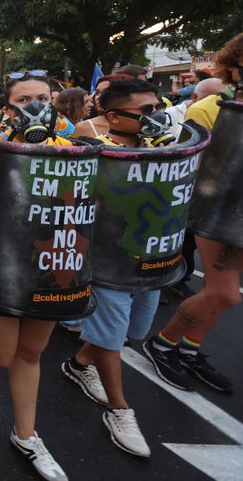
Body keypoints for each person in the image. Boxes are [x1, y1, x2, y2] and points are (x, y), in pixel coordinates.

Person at [0, 71, 71, 481]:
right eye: (25, 100)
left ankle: (26, 435)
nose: (36, 106)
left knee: (31, 353)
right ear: (8, 109)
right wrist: (14, 187)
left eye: (43, 97)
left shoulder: (69, 150)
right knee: (1, 354)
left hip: (51, 261)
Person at [61, 79, 172, 459]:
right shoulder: (92, 152)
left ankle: (78, 363)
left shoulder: (164, 151)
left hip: (150, 260)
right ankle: (119, 409)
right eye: (145, 112)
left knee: (133, 332)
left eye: (157, 107)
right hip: (107, 264)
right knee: (112, 340)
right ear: (112, 117)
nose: (155, 117)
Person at [143, 34, 243, 395]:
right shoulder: (209, 108)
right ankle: (162, 342)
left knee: (221, 295)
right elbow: (189, 162)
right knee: (227, 294)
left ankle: (188, 349)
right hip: (215, 211)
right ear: (234, 66)